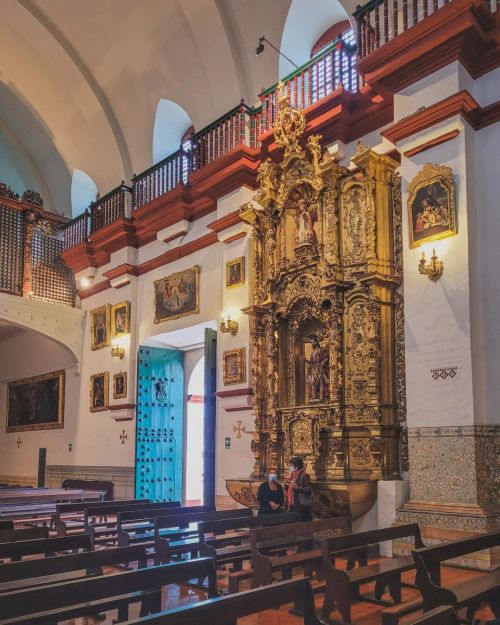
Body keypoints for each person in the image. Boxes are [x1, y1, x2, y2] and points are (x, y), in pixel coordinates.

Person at [286, 456, 313, 522]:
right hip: (292, 505)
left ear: (297, 466)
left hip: (301, 506)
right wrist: (287, 486)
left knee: (302, 526)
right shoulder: (293, 475)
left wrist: (297, 487)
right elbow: (292, 490)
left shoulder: (304, 475)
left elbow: (308, 490)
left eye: (291, 465)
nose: (290, 467)